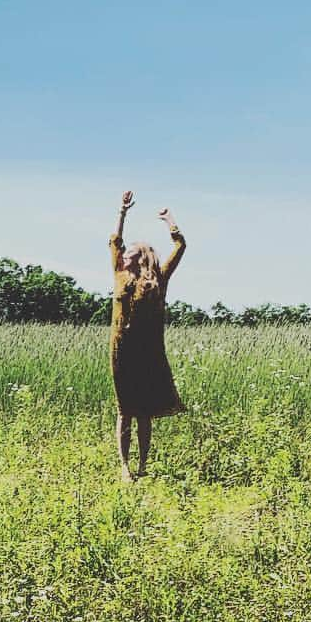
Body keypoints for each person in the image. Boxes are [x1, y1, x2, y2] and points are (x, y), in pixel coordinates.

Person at [109, 190, 186, 481]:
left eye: (129, 254)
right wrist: (122, 212)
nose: (123, 256)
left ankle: (142, 467)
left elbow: (180, 246)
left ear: (141, 259)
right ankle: (125, 468)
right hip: (121, 353)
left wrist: (170, 221)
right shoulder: (118, 275)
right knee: (124, 410)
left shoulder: (158, 280)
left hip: (148, 353)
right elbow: (114, 241)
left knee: (144, 413)